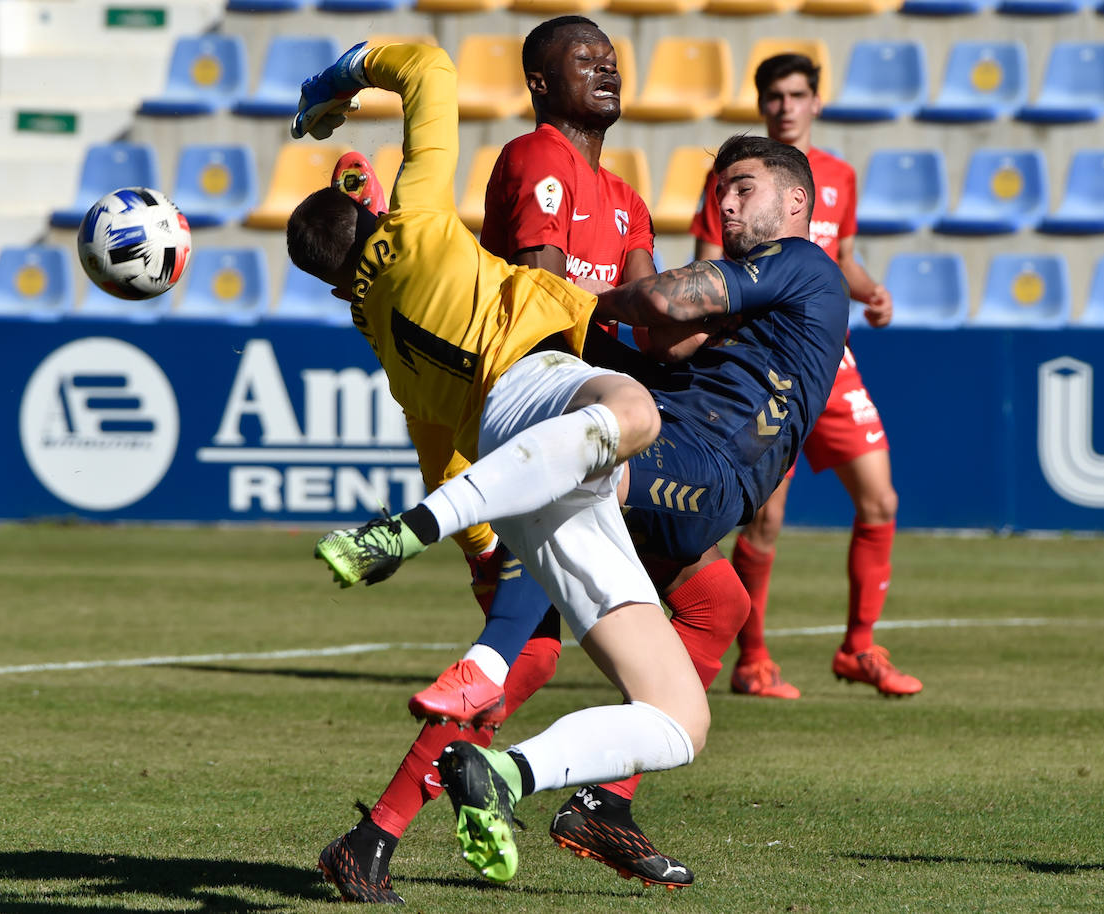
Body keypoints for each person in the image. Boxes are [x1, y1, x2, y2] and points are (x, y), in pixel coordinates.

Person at [288, 40, 849, 887]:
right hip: (550, 413)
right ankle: (384, 829)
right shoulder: (535, 162)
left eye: (613, 56)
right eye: (586, 58)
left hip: (615, 434)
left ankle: (597, 802)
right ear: (542, 81)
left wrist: (712, 325)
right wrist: (478, 529)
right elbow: (549, 298)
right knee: (528, 651)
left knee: (716, 603)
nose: (609, 68)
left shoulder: (623, 198)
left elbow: (666, 329)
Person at [690, 53, 922, 700]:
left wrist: (871, 290)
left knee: (880, 499)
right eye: (775, 97)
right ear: (763, 105)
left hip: (833, 358)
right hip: (771, 364)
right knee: (764, 522)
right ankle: (753, 660)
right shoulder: (739, 181)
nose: (786, 106)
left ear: (816, 102)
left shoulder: (839, 178)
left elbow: (839, 256)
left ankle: (859, 647)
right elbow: (712, 267)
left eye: (797, 95)